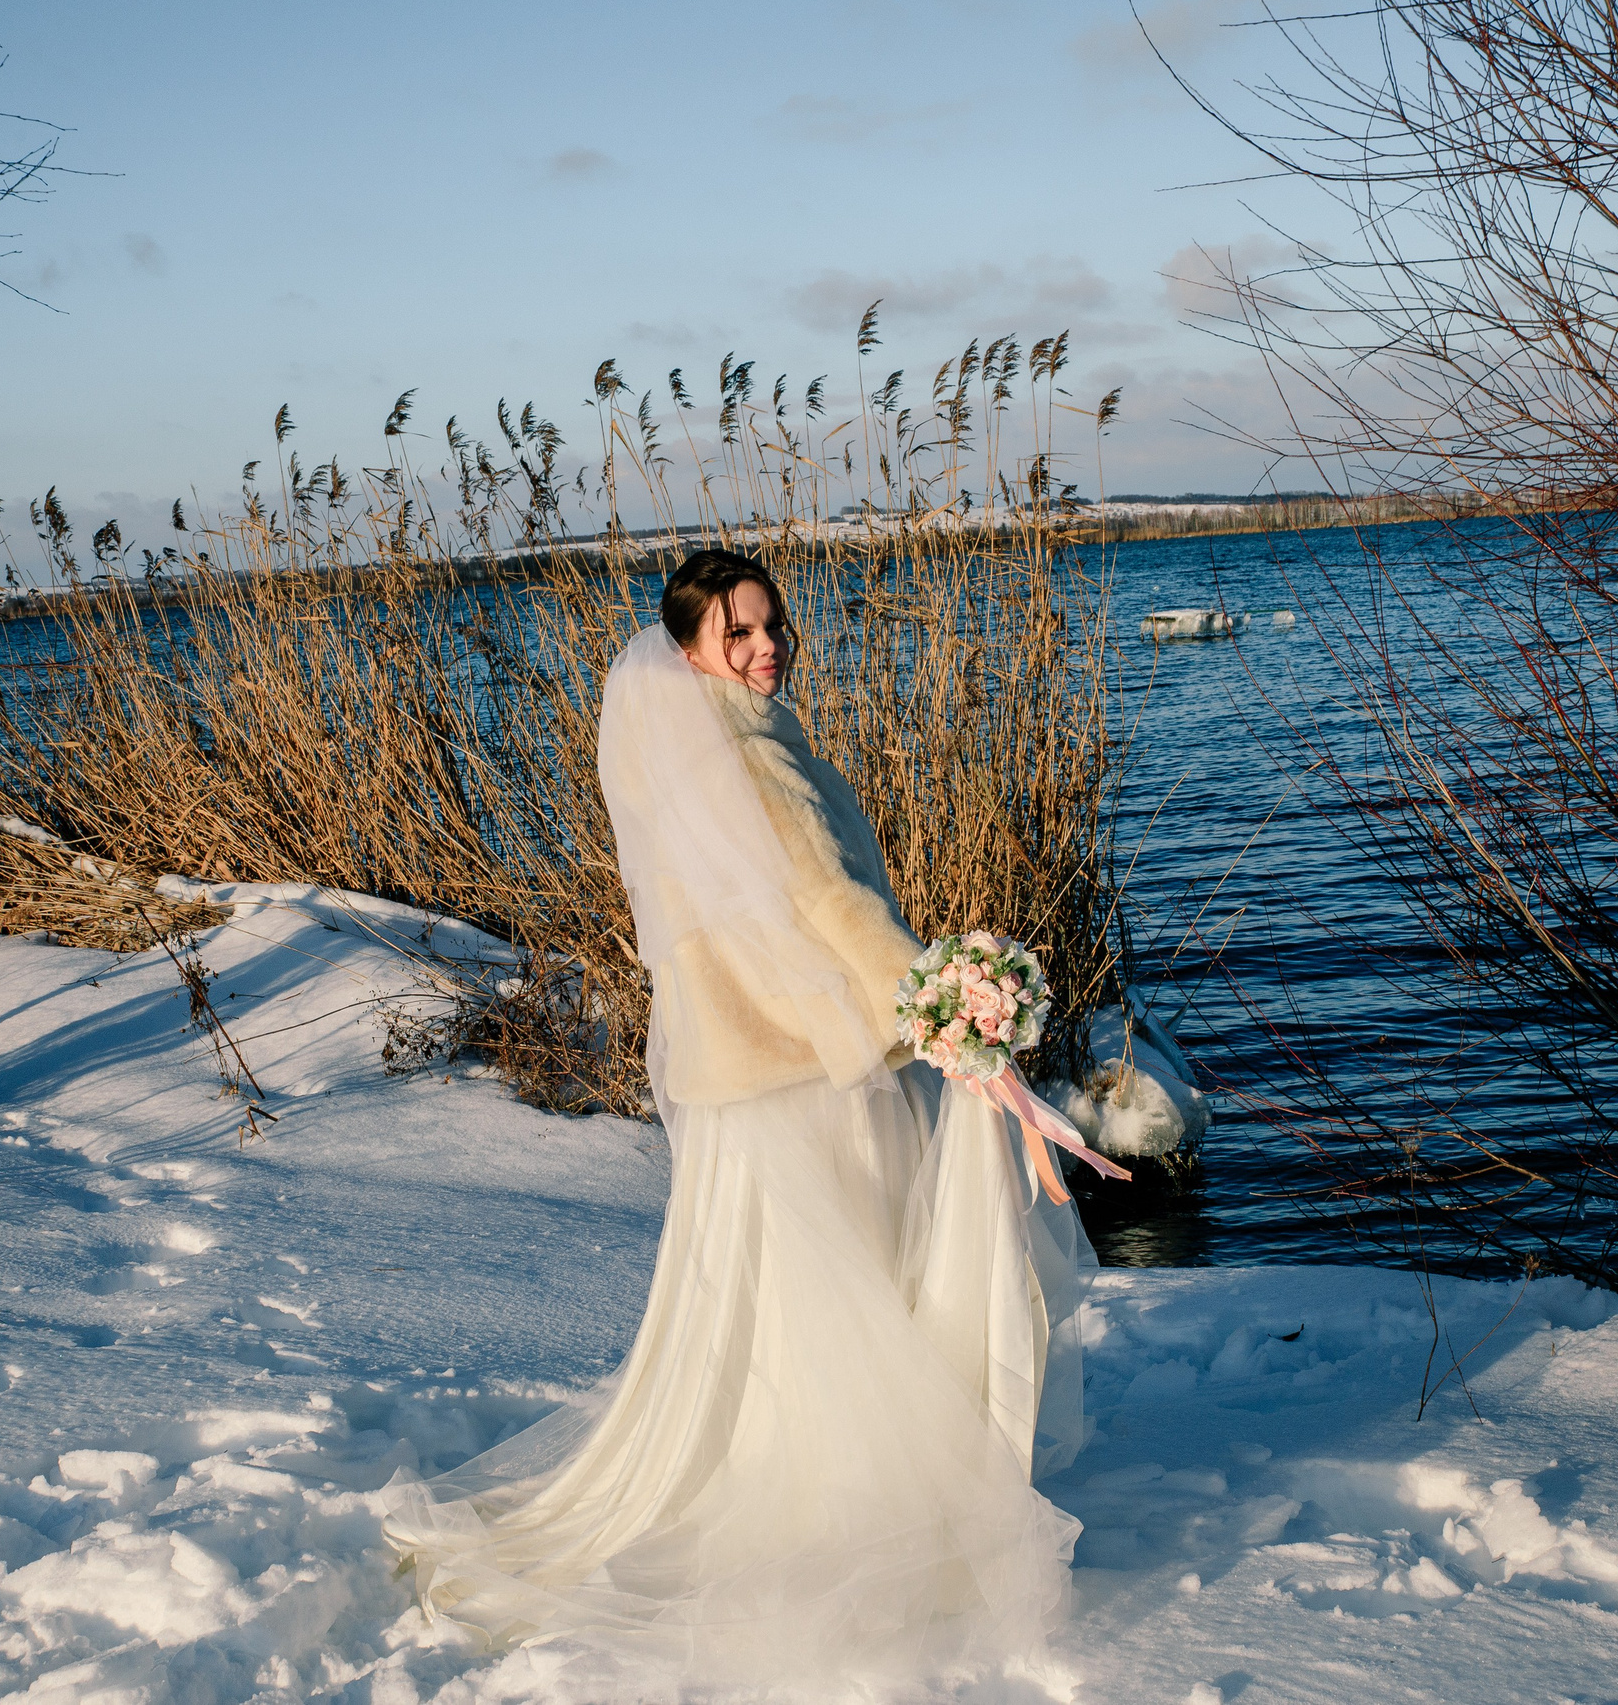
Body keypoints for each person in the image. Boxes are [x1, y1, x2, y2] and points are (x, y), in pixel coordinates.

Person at [382, 549, 1093, 1695]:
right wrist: (935, 1001)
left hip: (745, 1073)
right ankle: (851, 1512)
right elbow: (827, 902)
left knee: (775, 1300)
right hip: (808, 1072)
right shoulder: (746, 754)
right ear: (689, 649)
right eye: (739, 636)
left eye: (771, 629)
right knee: (840, 1291)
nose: (765, 650)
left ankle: (796, 1479)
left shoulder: (696, 747)